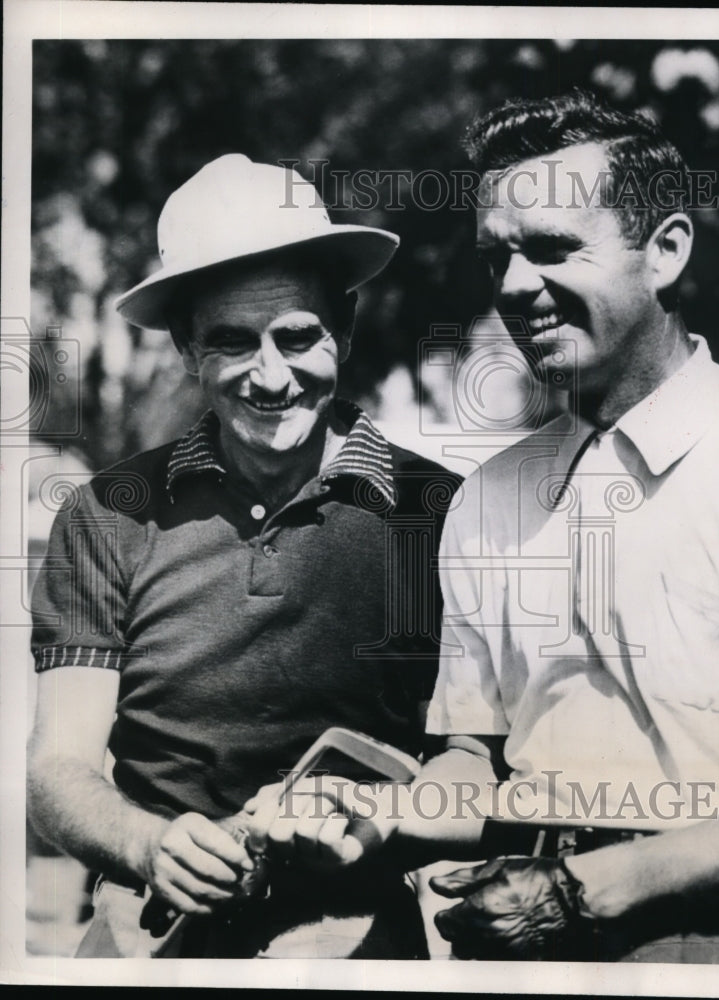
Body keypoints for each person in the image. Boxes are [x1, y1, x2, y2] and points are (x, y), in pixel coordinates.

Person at [303, 93, 719, 964]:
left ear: (667, 250)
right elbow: (471, 760)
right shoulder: (489, 493)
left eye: (555, 248)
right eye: (498, 258)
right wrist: (380, 816)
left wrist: (589, 889)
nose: (517, 287)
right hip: (505, 942)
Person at [27, 153, 459, 959]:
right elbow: (55, 771)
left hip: (360, 945)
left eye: (298, 336)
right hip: (147, 934)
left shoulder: (440, 514)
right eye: (232, 342)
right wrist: (147, 845)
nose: (271, 376)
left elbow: (477, 767)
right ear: (188, 349)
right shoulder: (108, 513)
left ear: (346, 330)